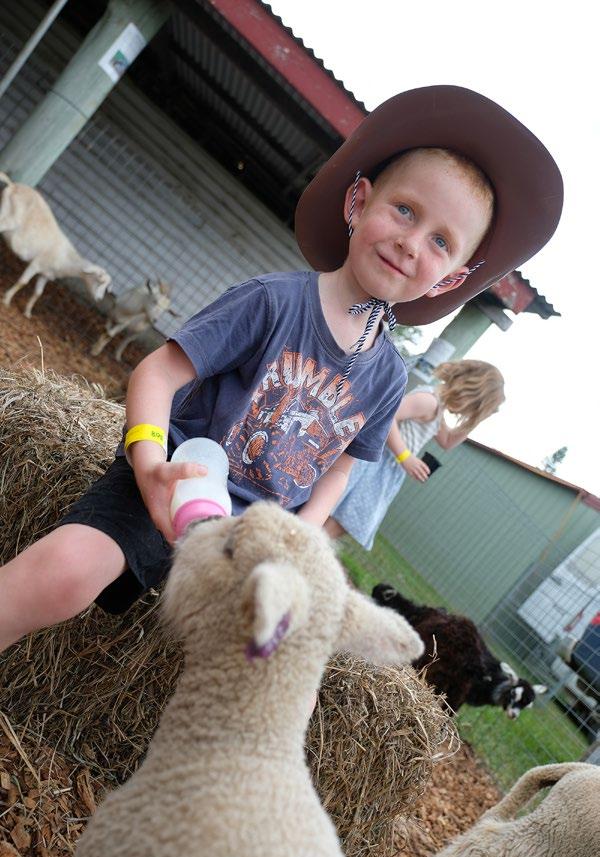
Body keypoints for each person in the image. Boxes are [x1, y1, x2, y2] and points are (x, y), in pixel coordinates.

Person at [0, 85, 563, 650]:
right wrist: (149, 466)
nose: (412, 243)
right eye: (405, 210)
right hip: (180, 484)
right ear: (359, 202)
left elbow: (341, 468)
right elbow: (157, 373)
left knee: (267, 667)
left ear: (450, 280)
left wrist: (298, 537)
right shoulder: (273, 302)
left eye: (441, 241)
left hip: (255, 543)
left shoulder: (388, 377)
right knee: (66, 573)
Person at [325, 359, 505, 549]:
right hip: (375, 463)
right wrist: (405, 457)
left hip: (386, 471)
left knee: (349, 519)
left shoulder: (438, 411)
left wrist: (476, 420)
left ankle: (312, 547)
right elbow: (388, 417)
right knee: (337, 514)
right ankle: (309, 546)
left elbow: (448, 442)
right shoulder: (429, 401)